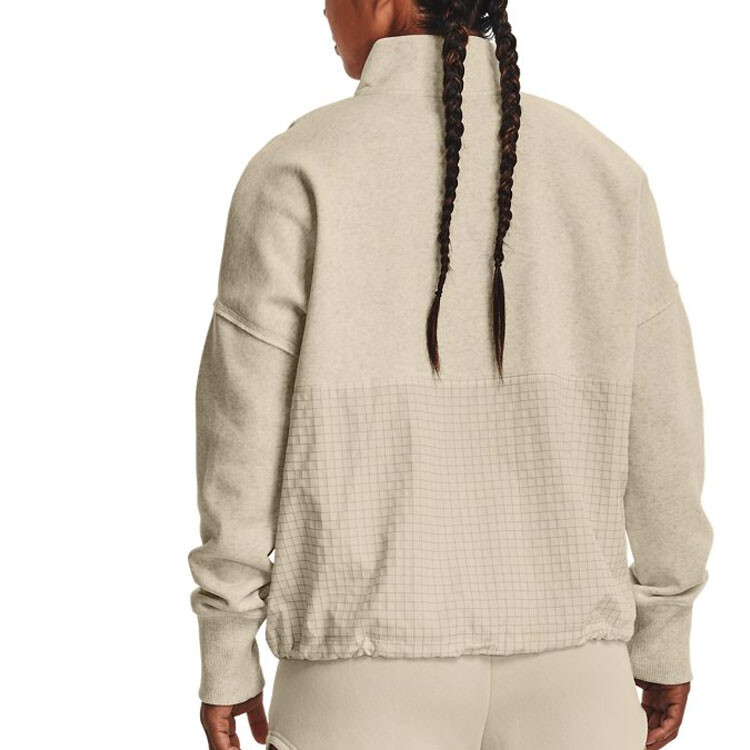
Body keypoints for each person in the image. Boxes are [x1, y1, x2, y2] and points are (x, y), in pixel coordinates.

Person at [188, 1, 714, 749]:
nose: (324, 7)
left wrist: (226, 646)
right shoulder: (602, 169)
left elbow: (240, 437)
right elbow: (665, 431)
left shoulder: (299, 168)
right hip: (577, 672)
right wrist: (664, 630)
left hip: (360, 672)